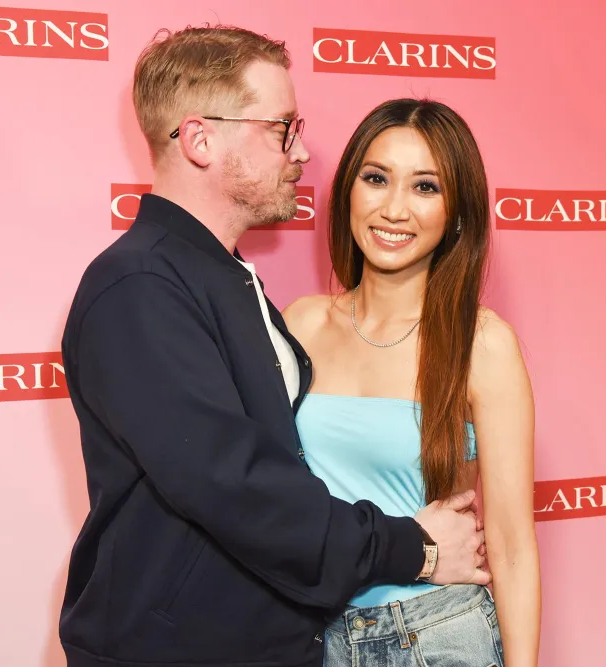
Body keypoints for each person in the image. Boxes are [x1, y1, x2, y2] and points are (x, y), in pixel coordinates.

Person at [57, 26, 489, 667]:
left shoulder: (225, 277)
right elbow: (238, 486)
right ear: (200, 139)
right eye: (281, 127)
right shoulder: (139, 286)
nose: (304, 151)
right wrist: (413, 548)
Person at [282, 98, 541, 667]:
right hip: (312, 636)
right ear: (348, 188)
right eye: (377, 178)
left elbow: (513, 547)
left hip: (438, 635)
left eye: (426, 187)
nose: (394, 209)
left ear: (457, 213)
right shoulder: (299, 323)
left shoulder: (482, 344)